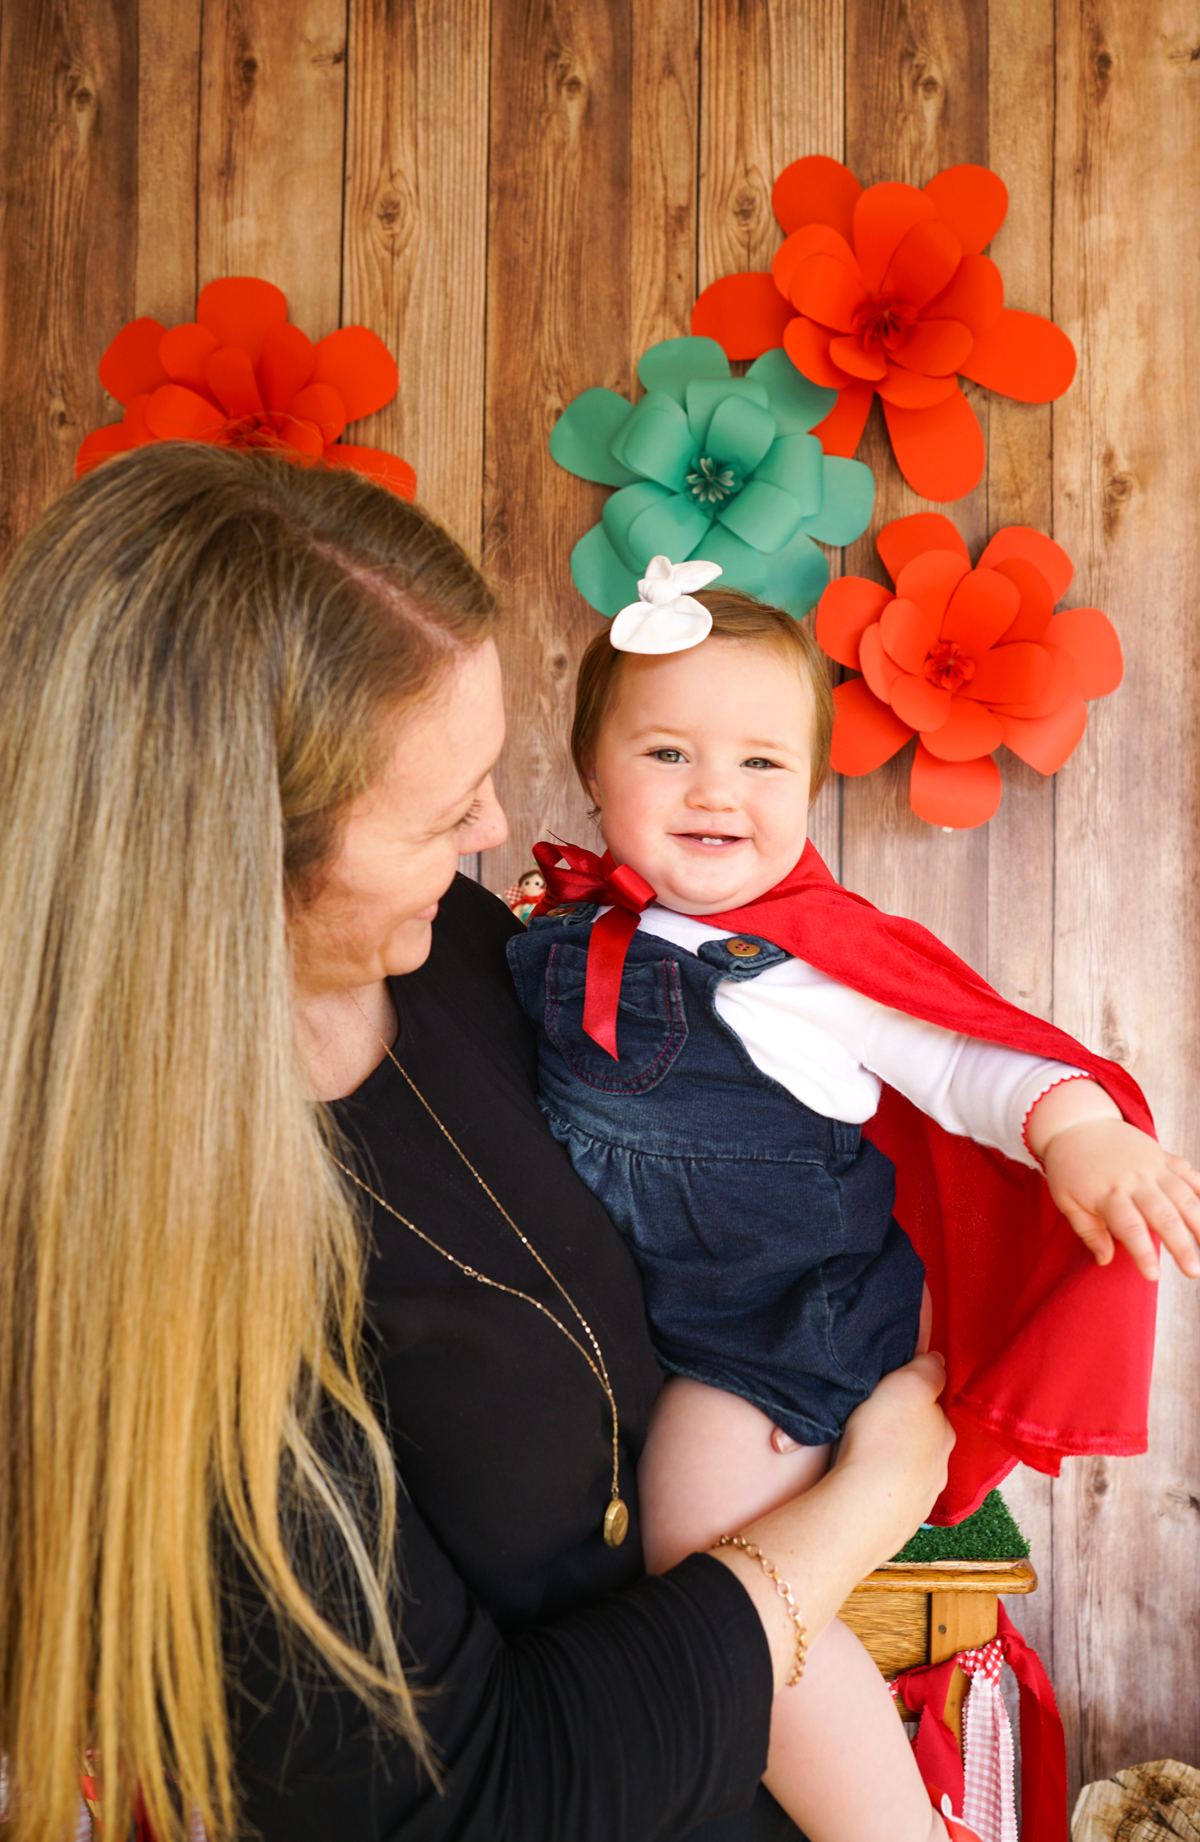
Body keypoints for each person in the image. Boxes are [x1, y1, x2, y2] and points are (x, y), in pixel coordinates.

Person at [0, 445, 954, 1842]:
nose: (499, 832)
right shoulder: (130, 1277)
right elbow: (477, 1800)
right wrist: (868, 1501)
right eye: (446, 810)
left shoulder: (457, 947)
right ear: (233, 855)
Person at [507, 561, 1200, 1842]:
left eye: (765, 764)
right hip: (650, 1325)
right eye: (669, 751)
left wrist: (1080, 1126)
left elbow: (962, 1054)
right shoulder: (553, 934)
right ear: (592, 774)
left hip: (776, 1332)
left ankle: (886, 1828)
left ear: (811, 794)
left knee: (703, 1565)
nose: (718, 789)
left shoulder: (795, 962)